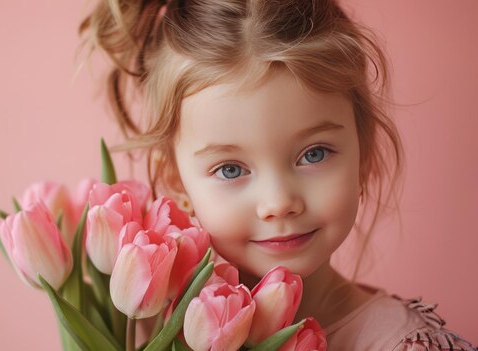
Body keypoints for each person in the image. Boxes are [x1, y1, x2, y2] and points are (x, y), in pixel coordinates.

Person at [78, 0, 476, 350]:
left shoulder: (402, 344)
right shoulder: (147, 330)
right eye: (230, 169)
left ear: (363, 154)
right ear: (177, 184)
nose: (279, 202)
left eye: (313, 154)